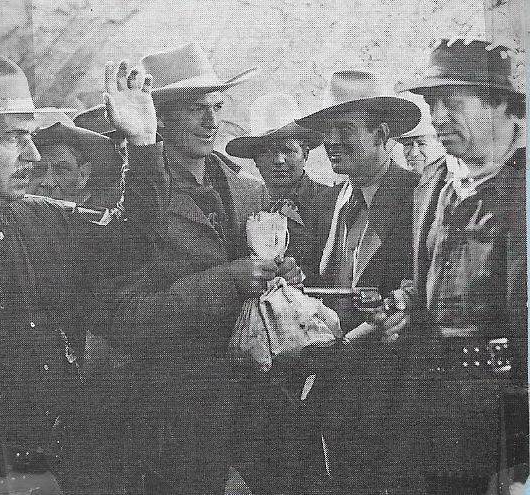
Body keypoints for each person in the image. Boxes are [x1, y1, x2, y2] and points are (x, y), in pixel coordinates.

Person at [90, 42, 312, 495]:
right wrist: (227, 281)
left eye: (216, 107)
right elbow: (123, 317)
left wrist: (280, 281)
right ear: (160, 118)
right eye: (196, 109)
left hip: (257, 410)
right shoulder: (119, 199)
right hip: (172, 419)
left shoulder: (249, 191)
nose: (212, 122)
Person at [0, 50, 109, 494]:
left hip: (38, 451)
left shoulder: (38, 216)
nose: (34, 154)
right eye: (14, 138)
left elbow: (129, 240)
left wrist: (144, 149)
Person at [385, 38, 528, 494]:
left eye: (453, 102)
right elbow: (432, 280)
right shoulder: (432, 182)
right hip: (437, 412)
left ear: (501, 106)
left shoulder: (522, 187)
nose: (438, 118)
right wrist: (408, 303)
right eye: (432, 103)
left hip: (513, 416)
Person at [295, 69, 421, 493]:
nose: (330, 142)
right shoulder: (336, 200)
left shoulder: (421, 196)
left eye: (344, 130)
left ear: (382, 133)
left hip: (400, 395)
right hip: (340, 391)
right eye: (326, 131)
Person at [226, 92, 328, 264]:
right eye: (267, 152)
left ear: (305, 154)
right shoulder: (243, 208)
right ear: (256, 160)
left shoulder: (330, 202)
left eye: (288, 150)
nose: (279, 160)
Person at [27, 115, 123, 207]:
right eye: (37, 170)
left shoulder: (92, 220)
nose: (48, 182)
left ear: (83, 174)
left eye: (62, 170)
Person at [394, 93, 446, 175]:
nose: (414, 153)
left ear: (441, 142)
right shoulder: (404, 182)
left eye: (422, 143)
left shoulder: (454, 180)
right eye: (407, 144)